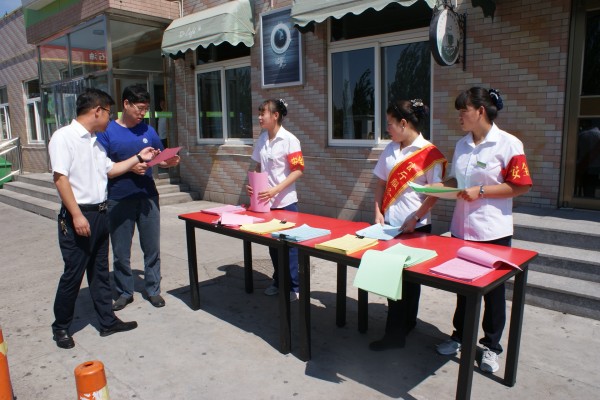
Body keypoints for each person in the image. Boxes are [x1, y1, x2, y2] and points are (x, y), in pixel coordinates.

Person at [49, 88, 156, 349]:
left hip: (100, 213)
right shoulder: (64, 137)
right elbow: (60, 179)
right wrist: (76, 215)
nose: (110, 117)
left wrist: (138, 158)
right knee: (73, 274)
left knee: (99, 272)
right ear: (97, 111)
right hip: (79, 214)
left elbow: (111, 169)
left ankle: (107, 322)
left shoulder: (95, 142)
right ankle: (61, 327)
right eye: (108, 112)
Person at [435, 87, 533, 373]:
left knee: (493, 292)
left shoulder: (508, 143)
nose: (459, 117)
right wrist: (434, 188)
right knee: (462, 287)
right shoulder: (462, 145)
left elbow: (520, 185)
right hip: (461, 230)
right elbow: (457, 181)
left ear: (480, 111)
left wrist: (481, 191)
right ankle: (459, 336)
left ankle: (491, 346)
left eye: (463, 111)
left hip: (492, 231)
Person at [369, 99, 447, 351]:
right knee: (392, 281)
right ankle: (395, 333)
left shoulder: (430, 153)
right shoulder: (390, 149)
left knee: (411, 281)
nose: (387, 129)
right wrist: (378, 211)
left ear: (403, 123)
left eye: (390, 124)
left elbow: (435, 192)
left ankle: (405, 326)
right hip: (390, 227)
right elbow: (380, 183)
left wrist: (416, 217)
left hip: (417, 228)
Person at [96, 85, 180, 311]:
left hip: (147, 196)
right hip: (119, 197)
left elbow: (159, 158)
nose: (143, 113)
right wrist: (132, 166)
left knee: (152, 246)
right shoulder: (108, 131)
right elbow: (103, 167)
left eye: (146, 109)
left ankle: (153, 289)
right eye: (139, 108)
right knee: (121, 250)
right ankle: (124, 291)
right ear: (126, 104)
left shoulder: (148, 131)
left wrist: (169, 161)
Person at [247, 99, 304, 302]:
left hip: (286, 202)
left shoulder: (290, 140)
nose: (260, 117)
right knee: (272, 245)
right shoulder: (262, 139)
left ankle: (294, 286)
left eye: (263, 113)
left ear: (275, 115)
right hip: (266, 204)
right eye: (259, 113)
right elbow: (257, 166)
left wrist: (276, 190)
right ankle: (279, 282)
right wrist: (253, 185)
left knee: (290, 247)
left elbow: (298, 170)